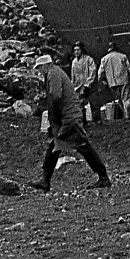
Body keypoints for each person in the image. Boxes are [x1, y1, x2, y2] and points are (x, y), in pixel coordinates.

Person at [29, 53, 110, 193]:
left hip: (68, 118)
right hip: (69, 116)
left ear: (46, 65)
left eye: (40, 67)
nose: (39, 71)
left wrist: (52, 117)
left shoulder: (53, 74)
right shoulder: (56, 72)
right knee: (58, 147)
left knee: (82, 146)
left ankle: (103, 177)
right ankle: (45, 181)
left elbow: (55, 96)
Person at [97, 40, 130, 120]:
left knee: (118, 100)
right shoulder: (123, 56)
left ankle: (123, 115)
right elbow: (129, 69)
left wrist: (100, 83)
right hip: (124, 80)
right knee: (126, 99)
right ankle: (127, 116)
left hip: (112, 82)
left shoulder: (104, 59)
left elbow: (100, 72)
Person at [69, 42, 97, 124]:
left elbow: (92, 72)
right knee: (79, 105)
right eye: (75, 50)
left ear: (82, 50)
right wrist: (73, 85)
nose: (76, 52)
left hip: (89, 86)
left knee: (94, 103)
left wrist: (88, 84)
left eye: (78, 50)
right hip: (78, 86)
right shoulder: (74, 62)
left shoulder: (89, 59)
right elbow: (73, 75)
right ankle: (83, 122)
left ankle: (97, 120)